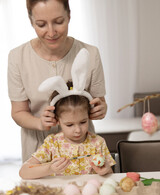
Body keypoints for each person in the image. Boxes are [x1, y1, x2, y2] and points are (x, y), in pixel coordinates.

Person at [8, 0, 107, 163]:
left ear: (69, 16)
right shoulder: (17, 57)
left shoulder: (90, 54)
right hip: (38, 152)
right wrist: (40, 123)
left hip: (82, 150)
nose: (51, 32)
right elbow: (18, 112)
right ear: (31, 22)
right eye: (41, 24)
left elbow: (100, 103)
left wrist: (100, 109)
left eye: (58, 22)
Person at [19, 77, 115, 179]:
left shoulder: (98, 143)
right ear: (57, 120)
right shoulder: (52, 144)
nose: (78, 130)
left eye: (83, 122)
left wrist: (106, 170)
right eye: (69, 125)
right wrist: (50, 169)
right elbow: (24, 172)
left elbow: (111, 175)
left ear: (89, 116)